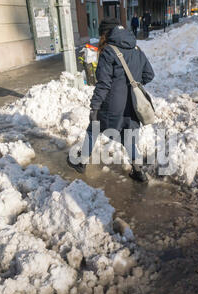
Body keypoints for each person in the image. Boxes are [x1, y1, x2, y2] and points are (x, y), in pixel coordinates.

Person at [67, 17, 155, 183]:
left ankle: (81, 161)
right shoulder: (137, 49)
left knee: (93, 127)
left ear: (105, 34)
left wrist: (94, 108)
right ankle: (138, 172)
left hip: (113, 105)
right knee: (128, 137)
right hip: (133, 106)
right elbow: (149, 75)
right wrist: (133, 84)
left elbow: (103, 84)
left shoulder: (109, 51)